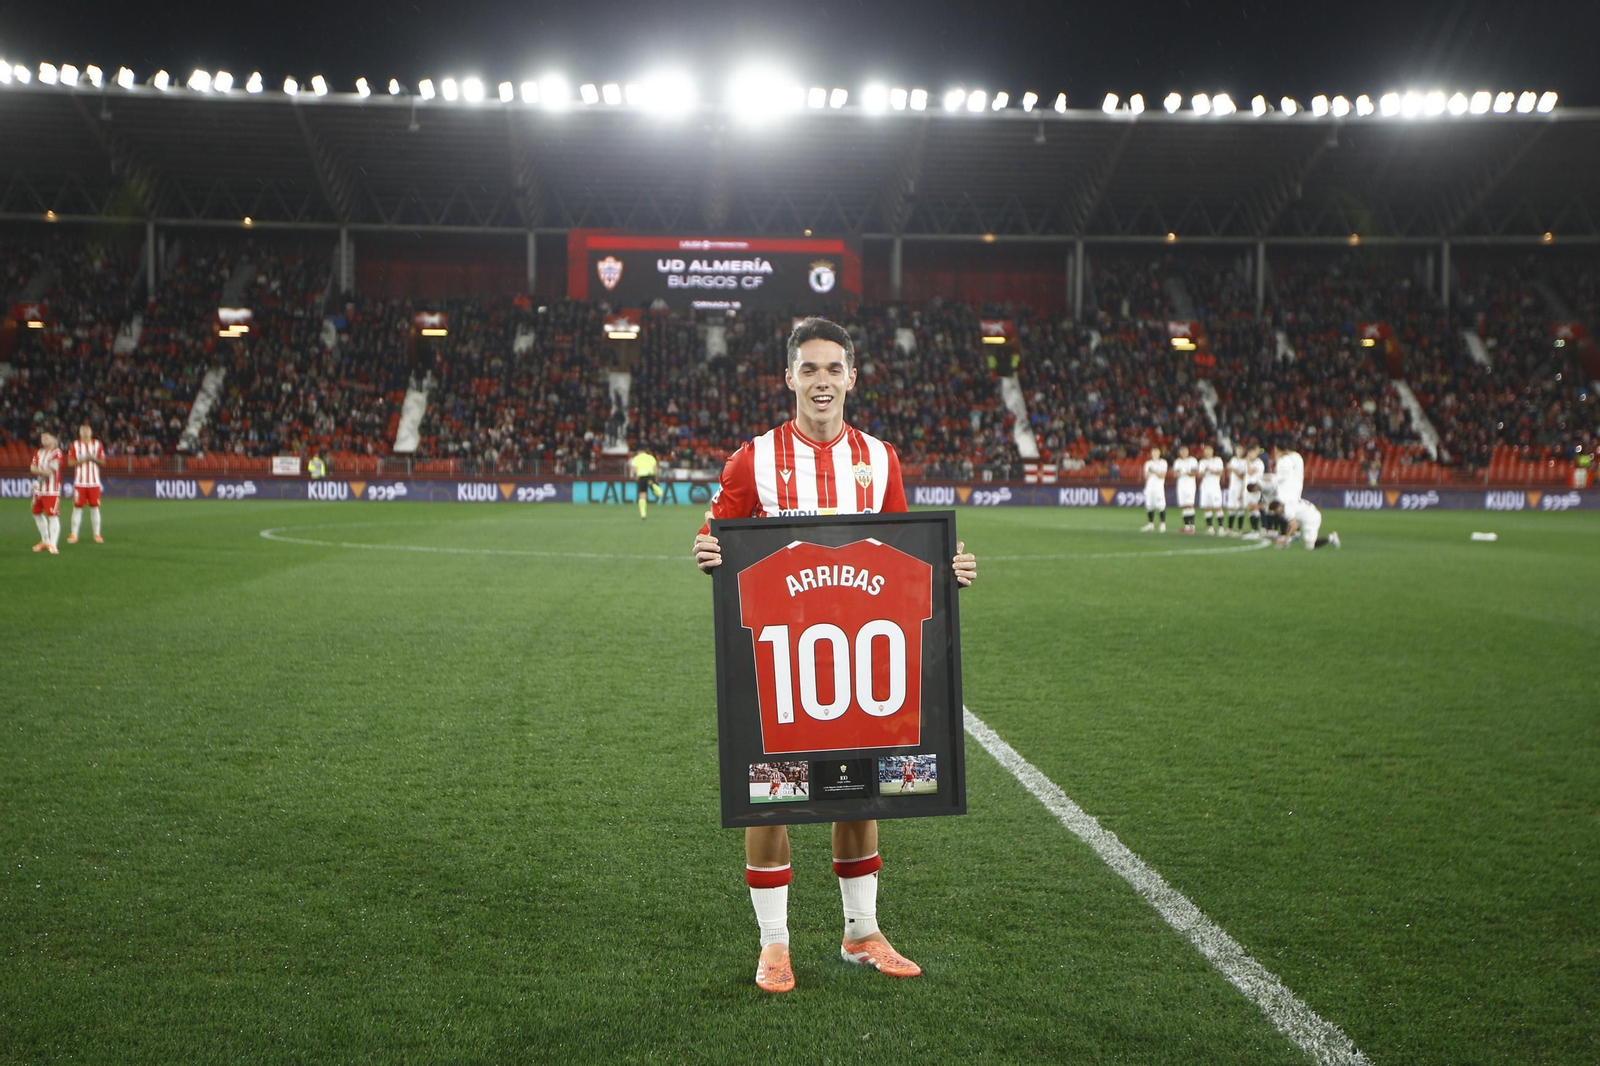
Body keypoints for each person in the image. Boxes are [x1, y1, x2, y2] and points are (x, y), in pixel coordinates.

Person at [691, 317, 978, 995]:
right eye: (809, 369)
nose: (821, 382)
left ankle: (861, 933)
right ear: (789, 377)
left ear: (852, 376)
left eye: (833, 369)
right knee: (773, 794)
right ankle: (774, 942)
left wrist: (946, 571)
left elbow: (904, 548)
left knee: (859, 788)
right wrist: (706, 549)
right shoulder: (753, 460)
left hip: (858, 654)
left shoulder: (880, 459)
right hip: (779, 655)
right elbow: (717, 533)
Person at [66, 423, 106, 544]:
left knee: (95, 508)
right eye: (82, 430)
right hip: (80, 483)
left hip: (94, 483)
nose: (85, 432)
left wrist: (92, 458)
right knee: (77, 508)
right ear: (79, 432)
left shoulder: (97, 445)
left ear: (91, 432)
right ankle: (74, 535)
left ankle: (97, 534)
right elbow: (70, 463)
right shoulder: (74, 445)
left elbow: (103, 462)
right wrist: (84, 459)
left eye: (87, 430)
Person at [29, 430, 63, 555]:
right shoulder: (39, 452)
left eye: (47, 437)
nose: (43, 439)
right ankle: (45, 540)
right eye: (42, 437)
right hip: (39, 491)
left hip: (51, 490)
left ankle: (53, 544)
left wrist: (38, 480)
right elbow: (32, 468)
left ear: (53, 439)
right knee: (36, 513)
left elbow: (50, 471)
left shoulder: (57, 453)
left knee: (52, 515)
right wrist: (41, 473)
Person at [1269, 499, 1341, 551]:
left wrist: (1286, 538)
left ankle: (1331, 538)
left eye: (1275, 511)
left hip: (1311, 519)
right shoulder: (1287, 504)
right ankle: (1294, 537)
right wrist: (1286, 535)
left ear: (1279, 507)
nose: (1276, 513)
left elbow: (1294, 526)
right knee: (1307, 542)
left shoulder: (1287, 510)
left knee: (1309, 546)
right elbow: (1290, 524)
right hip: (1307, 516)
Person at [629, 446, 664, 519]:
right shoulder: (650, 457)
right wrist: (657, 477)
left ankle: (643, 514)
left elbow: (634, 468)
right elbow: (655, 468)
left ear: (639, 451)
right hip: (650, 475)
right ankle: (653, 486)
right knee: (655, 488)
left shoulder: (636, 458)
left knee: (642, 495)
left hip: (641, 476)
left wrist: (636, 475)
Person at [1140, 447, 1169, 533]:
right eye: (1153, 452)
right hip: (1149, 487)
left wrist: (1153, 471)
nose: (1155, 454)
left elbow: (1162, 475)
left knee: (1161, 505)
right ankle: (1150, 525)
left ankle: (1163, 524)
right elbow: (1145, 477)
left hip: (1158, 488)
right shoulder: (1148, 463)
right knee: (1149, 506)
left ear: (1159, 453)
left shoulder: (1163, 462)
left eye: (1156, 452)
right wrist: (1149, 473)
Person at [1172, 444, 1199, 534]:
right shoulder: (1177, 462)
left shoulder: (1192, 460)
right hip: (1181, 485)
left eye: (1185, 451)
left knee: (1189, 504)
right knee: (1183, 505)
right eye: (1182, 451)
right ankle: (1186, 526)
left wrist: (1184, 471)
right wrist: (1179, 472)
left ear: (1188, 452)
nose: (1183, 452)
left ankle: (1192, 526)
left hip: (1189, 485)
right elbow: (1174, 474)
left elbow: (1194, 473)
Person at [1198, 444, 1225, 536]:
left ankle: (1221, 527)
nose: (1207, 452)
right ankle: (1210, 528)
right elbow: (1200, 474)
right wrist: (1204, 471)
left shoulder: (1217, 460)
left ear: (1212, 451)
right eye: (1206, 450)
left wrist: (1211, 470)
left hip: (1215, 487)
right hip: (1205, 487)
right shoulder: (1202, 462)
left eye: (1209, 450)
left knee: (1217, 506)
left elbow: (1220, 473)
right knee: (1207, 507)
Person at [1225, 447, 1249, 536]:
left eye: (1240, 450)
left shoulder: (1244, 462)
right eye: (1237, 450)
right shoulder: (1233, 460)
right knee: (1231, 507)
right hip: (1232, 487)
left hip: (1240, 487)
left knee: (1240, 508)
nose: (1238, 451)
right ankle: (1229, 528)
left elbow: (1242, 476)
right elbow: (1230, 474)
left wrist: (1233, 469)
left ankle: (1239, 529)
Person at [1243, 446, 1267, 538]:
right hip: (1247, 488)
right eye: (1249, 453)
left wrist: (1248, 461)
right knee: (1249, 509)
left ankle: (1256, 530)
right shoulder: (1249, 463)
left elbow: (1251, 472)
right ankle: (1253, 530)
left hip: (1255, 488)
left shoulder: (1259, 463)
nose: (1250, 455)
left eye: (1252, 453)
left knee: (1254, 507)